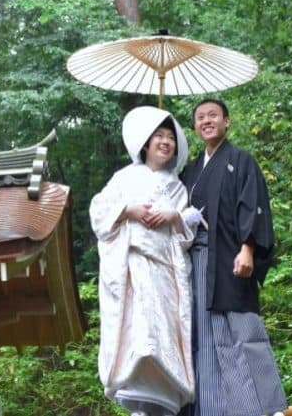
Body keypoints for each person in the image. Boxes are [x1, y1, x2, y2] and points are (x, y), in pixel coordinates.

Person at [178, 98, 287, 416]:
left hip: (231, 259)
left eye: (213, 115)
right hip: (197, 265)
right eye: (200, 117)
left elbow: (254, 205)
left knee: (241, 331)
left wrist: (248, 248)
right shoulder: (190, 171)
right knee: (203, 337)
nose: (206, 121)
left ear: (227, 121)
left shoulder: (241, 161)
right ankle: (211, 409)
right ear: (195, 126)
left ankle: (264, 407)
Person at [90, 105, 197, 416]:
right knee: (138, 332)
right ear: (146, 143)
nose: (165, 142)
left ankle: (161, 399)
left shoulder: (177, 187)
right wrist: (128, 210)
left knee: (163, 334)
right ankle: (137, 401)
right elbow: (99, 212)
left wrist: (174, 216)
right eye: (159, 136)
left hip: (164, 271)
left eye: (170, 137)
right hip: (133, 267)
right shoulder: (124, 177)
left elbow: (187, 237)